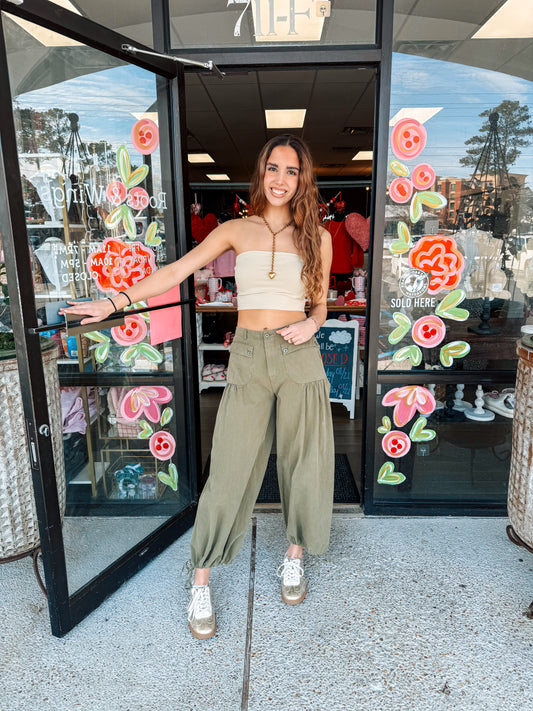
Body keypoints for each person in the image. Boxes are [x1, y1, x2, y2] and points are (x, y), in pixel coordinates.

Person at [61, 134, 334, 640]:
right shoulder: (236, 229)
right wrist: (114, 302)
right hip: (250, 353)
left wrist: (314, 325)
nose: (280, 179)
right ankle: (202, 574)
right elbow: (176, 271)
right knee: (230, 464)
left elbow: (319, 302)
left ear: (303, 179)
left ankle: (294, 554)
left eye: (291, 171)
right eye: (273, 168)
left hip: (301, 354)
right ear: (261, 173)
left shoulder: (317, 235)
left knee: (305, 460)